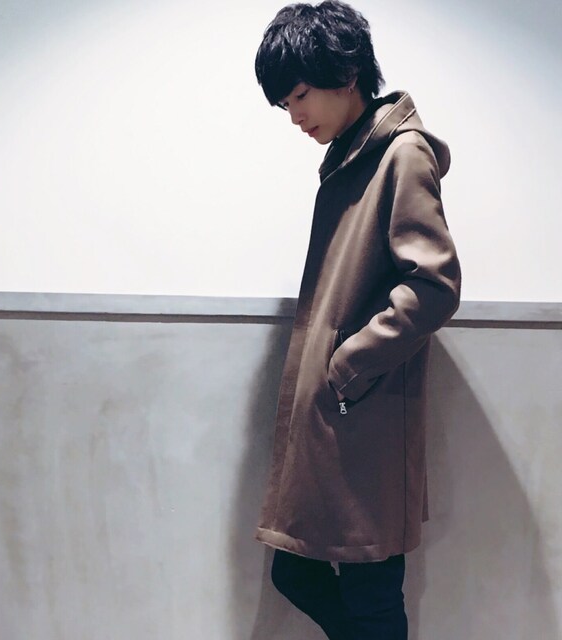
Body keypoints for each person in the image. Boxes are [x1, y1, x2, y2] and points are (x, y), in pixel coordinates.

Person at [254, 2, 462, 638]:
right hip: (343, 417)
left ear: (345, 75)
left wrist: (346, 365)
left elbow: (434, 285)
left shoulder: (401, 155)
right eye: (284, 105)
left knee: (371, 594)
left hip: (366, 414)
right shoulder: (352, 158)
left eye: (299, 96)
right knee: (300, 572)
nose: (294, 117)